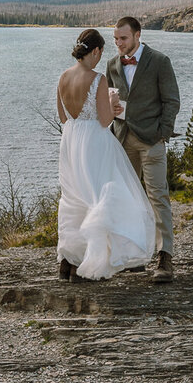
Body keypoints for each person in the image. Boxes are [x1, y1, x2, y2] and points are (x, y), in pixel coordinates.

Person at [54, 28, 156, 281]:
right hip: (94, 141)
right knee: (101, 195)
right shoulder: (98, 78)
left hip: (70, 140)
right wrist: (114, 107)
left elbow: (63, 117)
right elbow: (103, 120)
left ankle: (68, 263)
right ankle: (93, 260)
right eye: (101, 52)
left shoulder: (63, 77)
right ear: (96, 51)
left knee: (74, 199)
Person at [106, 17, 180, 283]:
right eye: (115, 39)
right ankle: (133, 256)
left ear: (138, 35)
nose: (118, 44)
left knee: (158, 196)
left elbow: (172, 100)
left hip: (151, 140)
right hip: (123, 139)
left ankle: (164, 256)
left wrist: (162, 132)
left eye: (123, 39)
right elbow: (109, 97)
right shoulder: (113, 64)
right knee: (126, 199)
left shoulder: (159, 61)